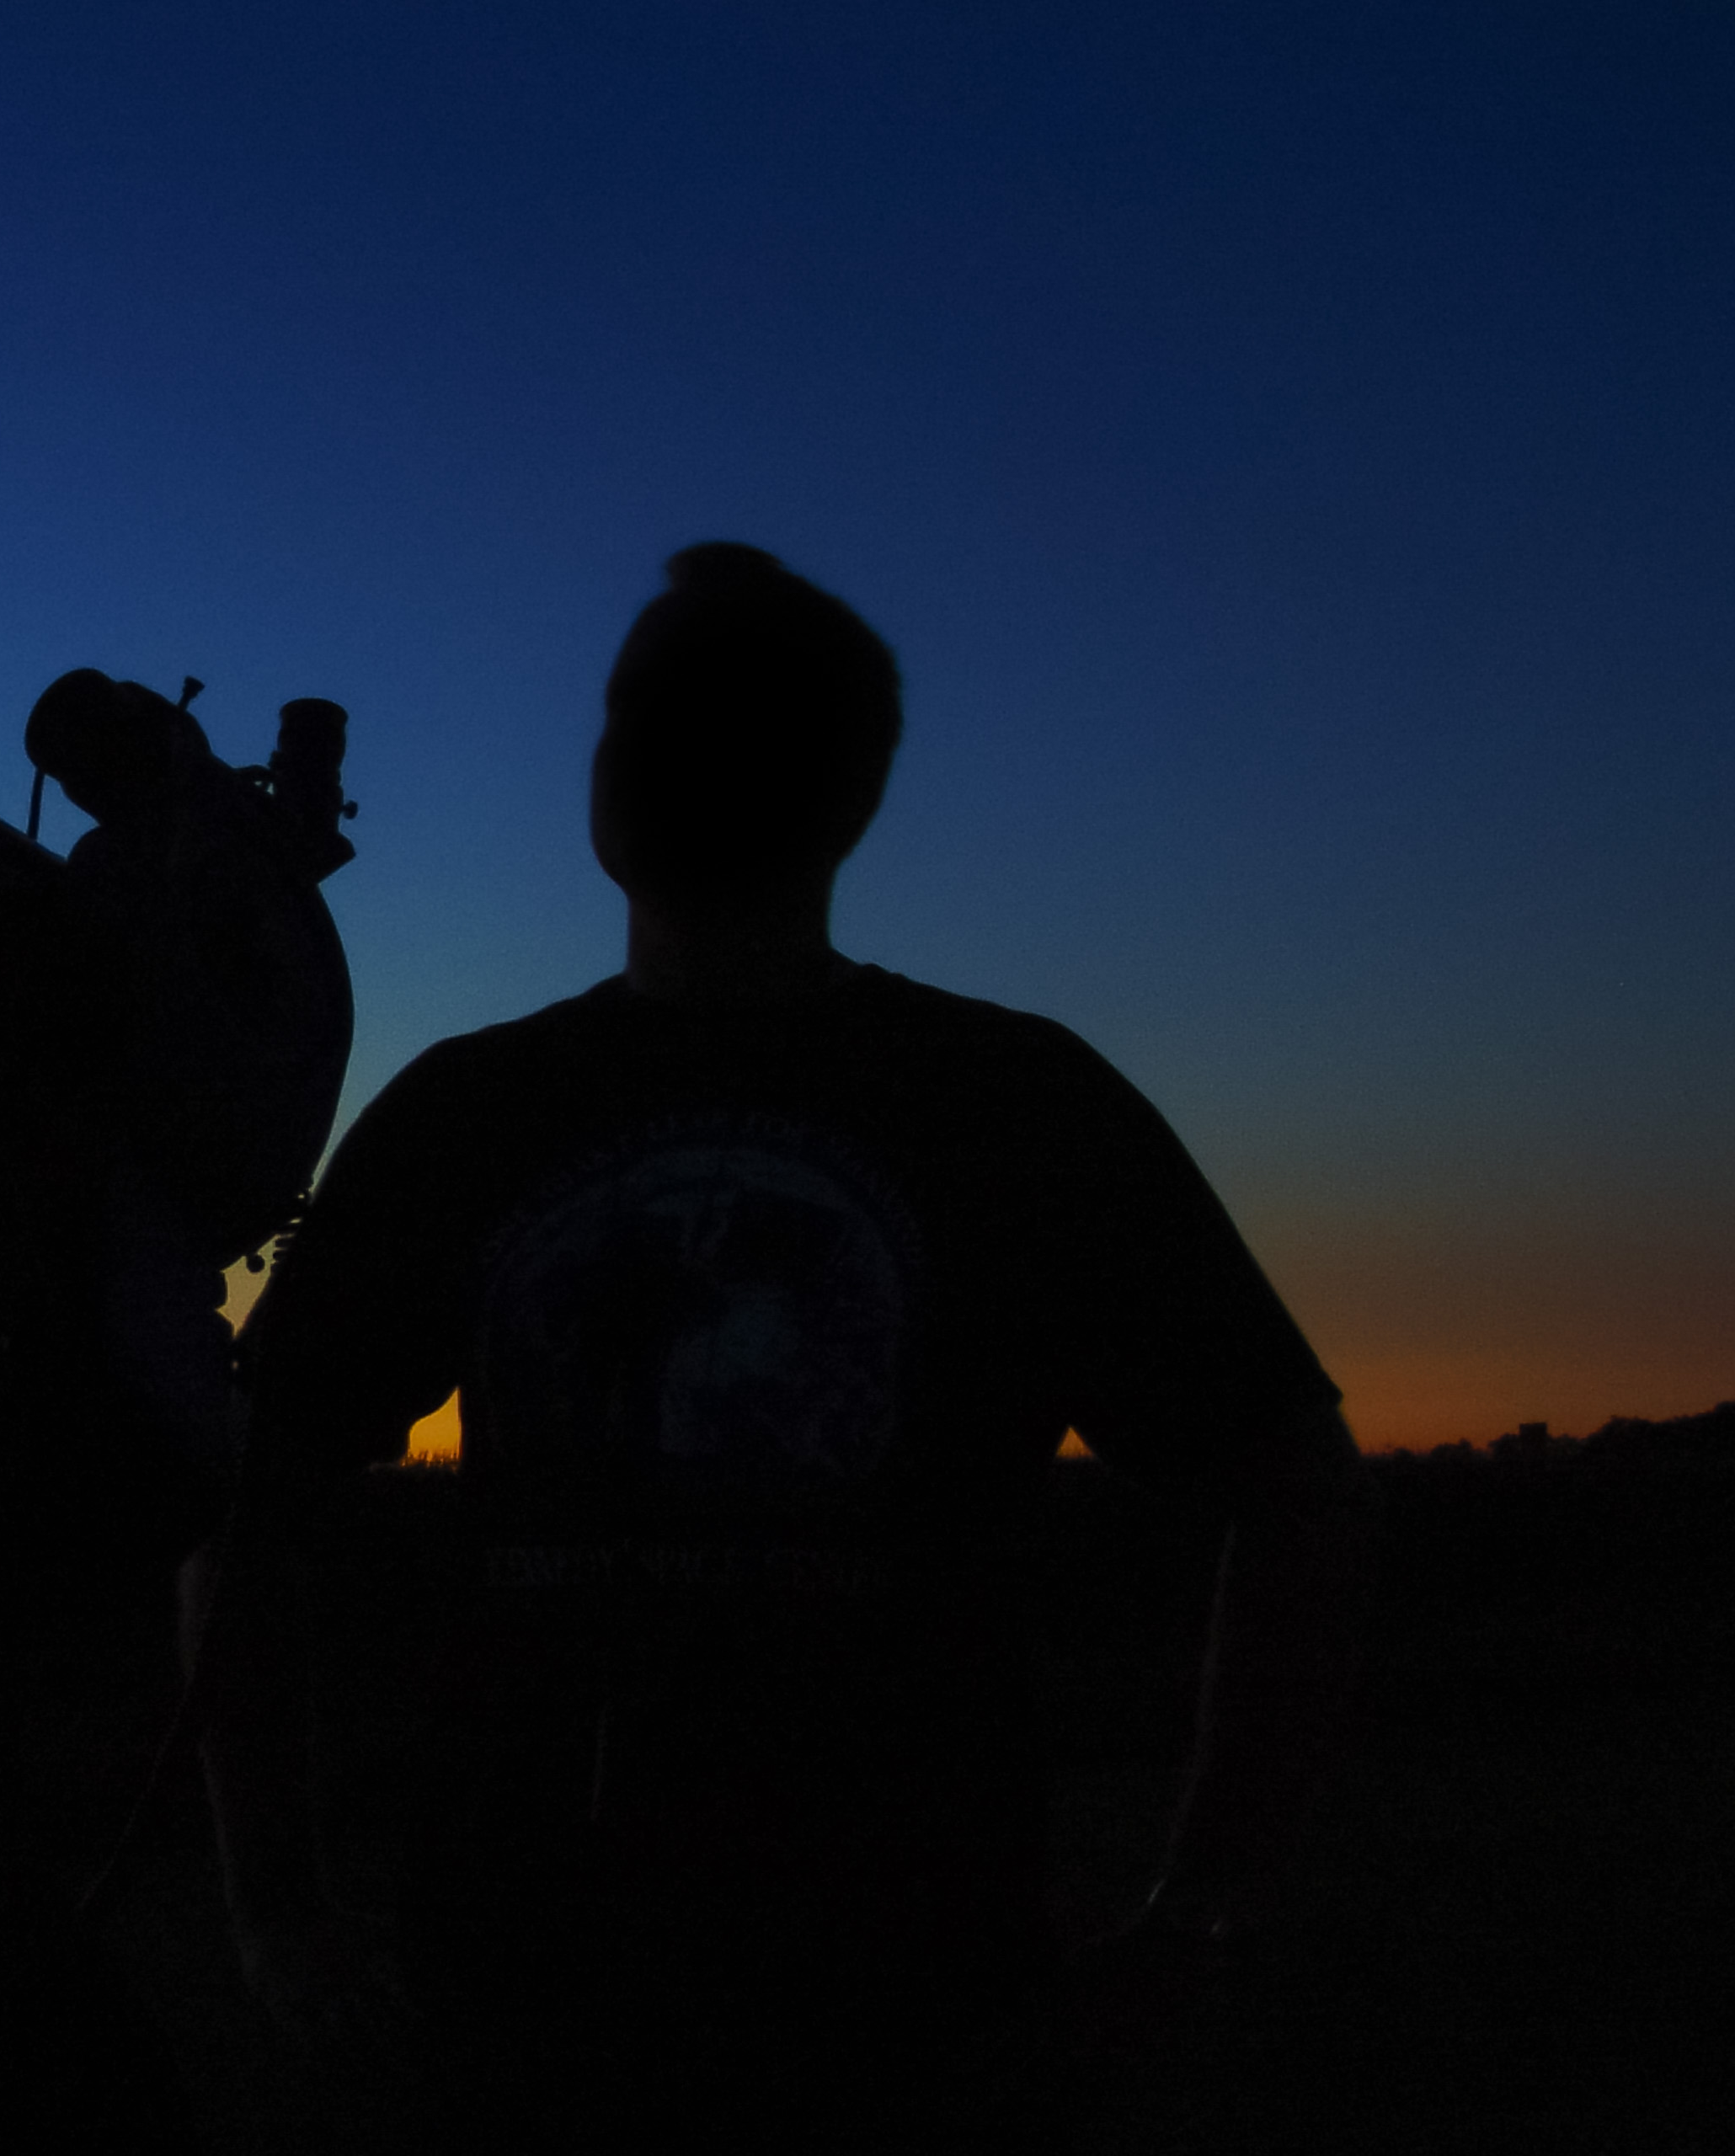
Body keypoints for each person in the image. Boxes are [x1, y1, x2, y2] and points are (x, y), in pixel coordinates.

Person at [190, 542, 1377, 2150]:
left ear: (838, 789)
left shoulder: (1015, 1106)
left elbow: (1286, 1472)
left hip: (904, 2015)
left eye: (707, 714)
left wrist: (1209, 1907)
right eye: (650, 710)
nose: (662, 746)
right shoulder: (472, 1117)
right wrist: (276, 1912)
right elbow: (241, 1504)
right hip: (527, 1997)